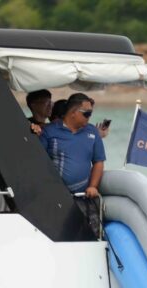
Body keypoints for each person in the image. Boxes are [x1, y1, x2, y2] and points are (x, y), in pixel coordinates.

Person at [40, 92, 105, 235]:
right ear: (73, 113)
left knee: (91, 236)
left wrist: (93, 186)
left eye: (91, 113)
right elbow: (38, 162)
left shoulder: (93, 132)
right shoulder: (49, 131)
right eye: (87, 113)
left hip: (84, 197)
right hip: (56, 198)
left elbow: (98, 161)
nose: (90, 117)